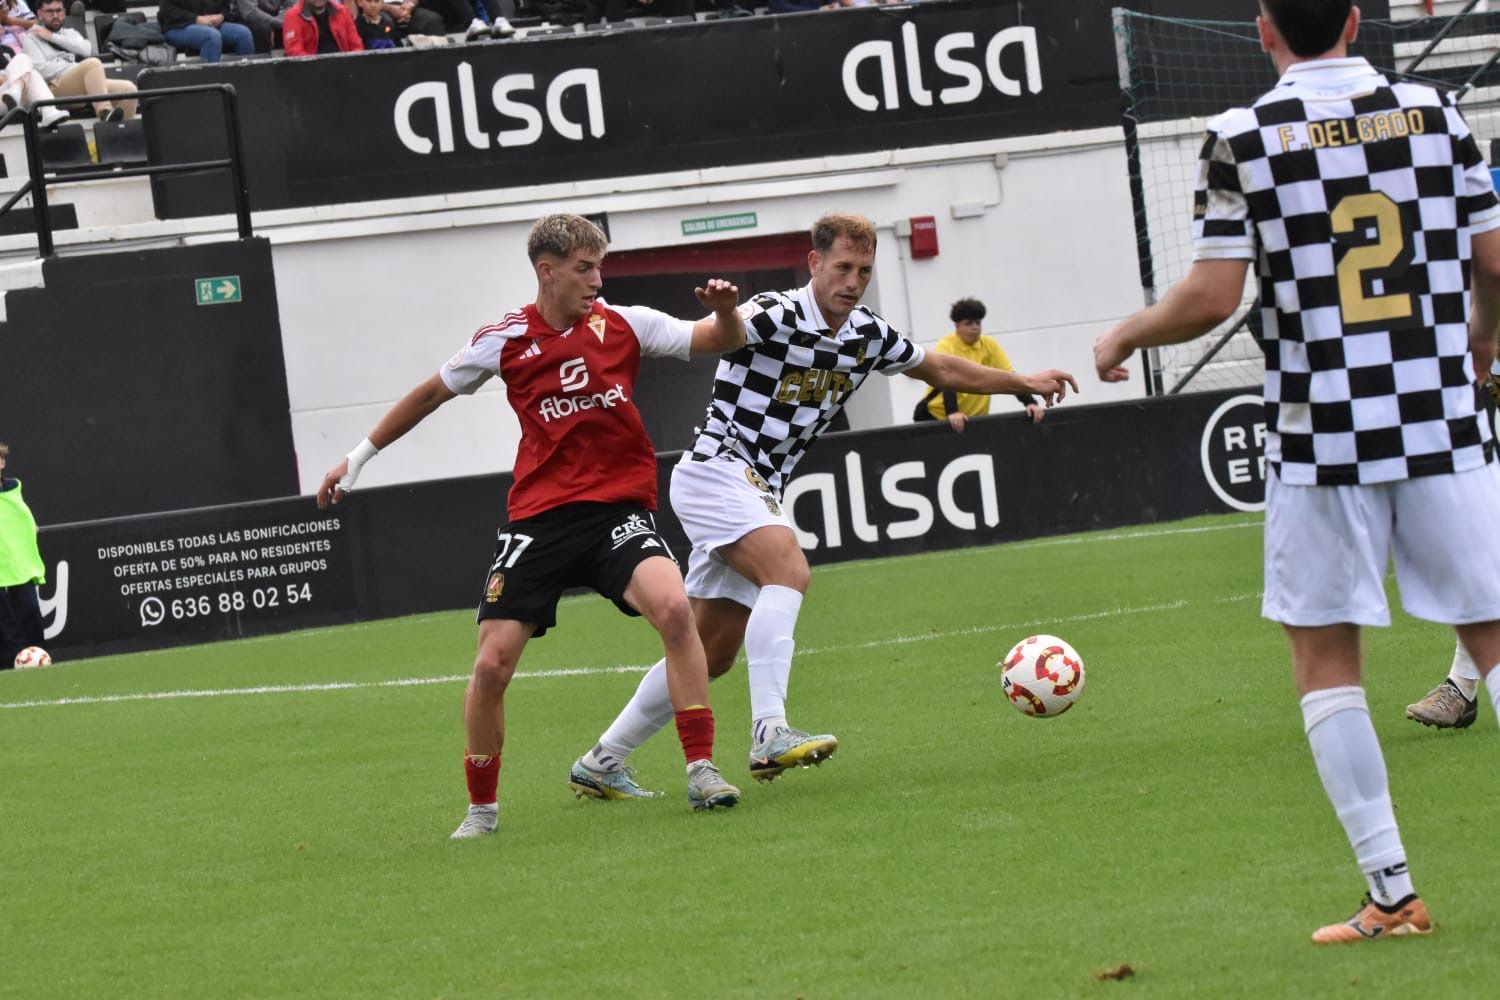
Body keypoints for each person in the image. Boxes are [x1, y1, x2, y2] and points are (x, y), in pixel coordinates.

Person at [1092, 0, 1500, 944]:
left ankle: (1392, 894)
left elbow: (1211, 295)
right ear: (1358, 23)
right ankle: (1390, 896)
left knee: (1325, 660)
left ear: (1265, 29)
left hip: (1323, 438)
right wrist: (1480, 338)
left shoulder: (1242, 135)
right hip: (1442, 418)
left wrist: (1126, 331)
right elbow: (1494, 261)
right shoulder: (1437, 114)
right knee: (1490, 635)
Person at [568, 212, 1076, 799]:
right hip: (716, 469)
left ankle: (603, 760)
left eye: (864, 270)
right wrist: (727, 311)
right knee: (789, 569)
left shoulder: (867, 334)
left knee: (711, 653)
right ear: (814, 264)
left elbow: (938, 367)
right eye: (842, 267)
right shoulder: (775, 312)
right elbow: (721, 335)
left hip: (754, 484)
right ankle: (769, 732)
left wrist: (1021, 381)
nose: (853, 281)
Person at [316, 214, 748, 838]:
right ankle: (482, 810)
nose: (597, 281)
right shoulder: (506, 338)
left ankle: (702, 768)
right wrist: (355, 461)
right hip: (539, 521)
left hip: (616, 514)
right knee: (492, 666)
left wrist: (727, 312)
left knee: (676, 611)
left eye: (600, 267)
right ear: (547, 271)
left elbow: (719, 341)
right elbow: (429, 394)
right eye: (584, 269)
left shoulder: (625, 323)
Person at [914, 297, 1044, 432]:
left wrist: (1030, 403)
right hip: (938, 417)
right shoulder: (946, 345)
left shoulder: (989, 345)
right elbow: (947, 379)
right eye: (968, 323)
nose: (974, 327)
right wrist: (952, 412)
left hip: (972, 420)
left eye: (978, 322)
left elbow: (1009, 376)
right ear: (957, 326)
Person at [22, 0, 137, 122]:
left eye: (58, 11)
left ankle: (122, 136)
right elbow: (41, 70)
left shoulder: (69, 33)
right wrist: (73, 68)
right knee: (92, 64)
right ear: (40, 13)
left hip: (81, 83)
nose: (55, 15)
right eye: (50, 11)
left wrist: (52, 37)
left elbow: (86, 50)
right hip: (53, 88)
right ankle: (104, 110)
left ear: (65, 12)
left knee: (128, 89)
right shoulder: (31, 38)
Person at [0, 442, 46, 671]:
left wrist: (30, 524)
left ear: (2, 462)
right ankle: (12, 665)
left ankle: (37, 656)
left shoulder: (13, 487)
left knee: (30, 610)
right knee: (5, 622)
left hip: (19, 564)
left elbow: (18, 513)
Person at [157, 0, 255, 62]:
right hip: (177, 26)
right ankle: (210, 90)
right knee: (211, 36)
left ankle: (244, 84)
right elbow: (167, 10)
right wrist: (196, 19)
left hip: (210, 24)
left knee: (243, 34)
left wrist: (222, 16)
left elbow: (226, 6)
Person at [0, 50, 67, 128]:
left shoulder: (5, 49)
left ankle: (16, 90)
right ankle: (48, 109)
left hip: (8, 95)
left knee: (29, 71)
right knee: (26, 66)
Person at [283, 0, 363, 54]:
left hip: (344, 68)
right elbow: (295, 53)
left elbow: (356, 45)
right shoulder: (292, 16)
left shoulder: (342, 11)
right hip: (311, 72)